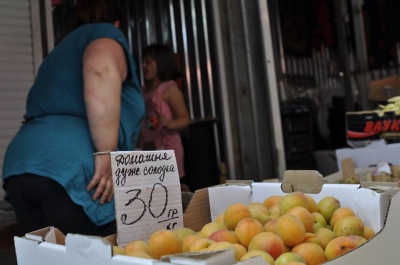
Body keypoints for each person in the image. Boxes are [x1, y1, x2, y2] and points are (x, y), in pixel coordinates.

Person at [2, 0, 144, 236]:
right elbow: (99, 68)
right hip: (71, 171)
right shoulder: (106, 35)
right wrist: (106, 151)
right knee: (99, 255)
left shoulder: (63, 48)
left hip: (21, 168)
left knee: (49, 257)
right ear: (118, 25)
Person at [138, 44, 190, 190]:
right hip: (148, 152)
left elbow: (185, 119)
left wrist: (169, 124)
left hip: (168, 150)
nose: (143, 66)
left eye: (148, 62)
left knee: (171, 191)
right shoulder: (141, 91)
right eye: (143, 62)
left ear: (161, 63)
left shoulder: (169, 89)